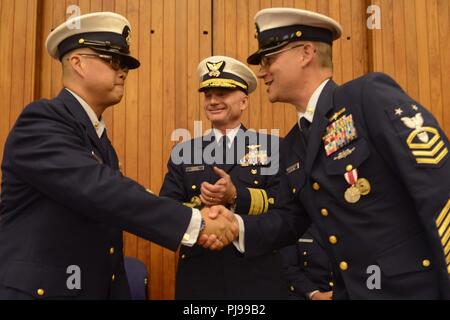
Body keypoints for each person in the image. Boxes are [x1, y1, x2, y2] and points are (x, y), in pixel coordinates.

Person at [204, 7, 450, 299]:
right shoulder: (294, 142)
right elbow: (290, 218)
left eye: (269, 59)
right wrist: (236, 226)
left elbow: (437, 184)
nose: (262, 72)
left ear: (305, 53)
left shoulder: (366, 97)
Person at [0, 12, 236, 300]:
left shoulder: (97, 137)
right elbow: (100, 190)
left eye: (125, 64)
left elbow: (108, 226)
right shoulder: (42, 120)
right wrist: (195, 223)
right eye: (113, 61)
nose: (123, 70)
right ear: (78, 63)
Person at [160, 55, 286, 299]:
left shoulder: (274, 148)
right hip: (200, 277)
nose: (213, 101)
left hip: (257, 276)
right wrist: (202, 211)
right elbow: (168, 207)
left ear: (244, 102)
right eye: (208, 95)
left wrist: (236, 195)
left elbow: (283, 206)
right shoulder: (184, 152)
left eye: (222, 94)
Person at [280, 225, 333, 300]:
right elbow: (288, 266)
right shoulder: (294, 226)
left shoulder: (344, 223)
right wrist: (314, 294)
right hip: (305, 294)